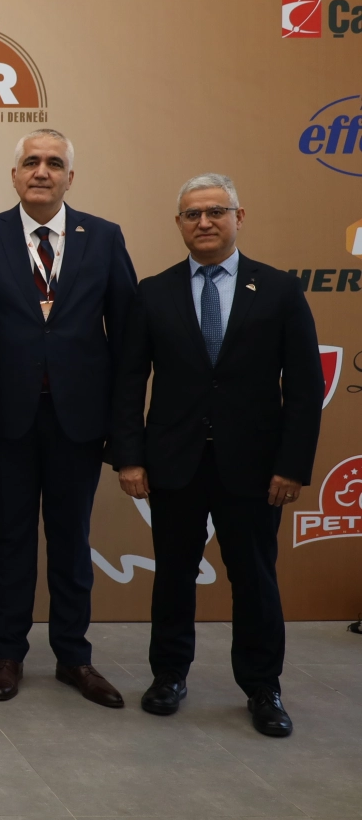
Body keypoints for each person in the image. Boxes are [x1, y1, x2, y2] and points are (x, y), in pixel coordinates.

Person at [110, 174, 321, 737]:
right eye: (192, 214)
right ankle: (168, 675)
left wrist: (292, 466)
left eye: (215, 212)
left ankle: (263, 687)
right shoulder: (153, 291)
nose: (203, 222)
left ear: (238, 217)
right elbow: (129, 382)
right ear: (179, 224)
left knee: (254, 578)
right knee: (173, 575)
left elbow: (304, 387)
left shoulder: (278, 290)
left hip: (254, 467)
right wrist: (129, 457)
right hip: (173, 461)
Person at [0, 129, 136, 707]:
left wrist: (124, 434)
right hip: (6, 420)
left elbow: (128, 340)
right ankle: (8, 654)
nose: (41, 171)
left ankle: (74, 658)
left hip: (77, 422)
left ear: (69, 177)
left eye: (54, 163)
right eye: (31, 162)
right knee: (10, 540)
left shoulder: (103, 237)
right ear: (14, 175)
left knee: (71, 540)